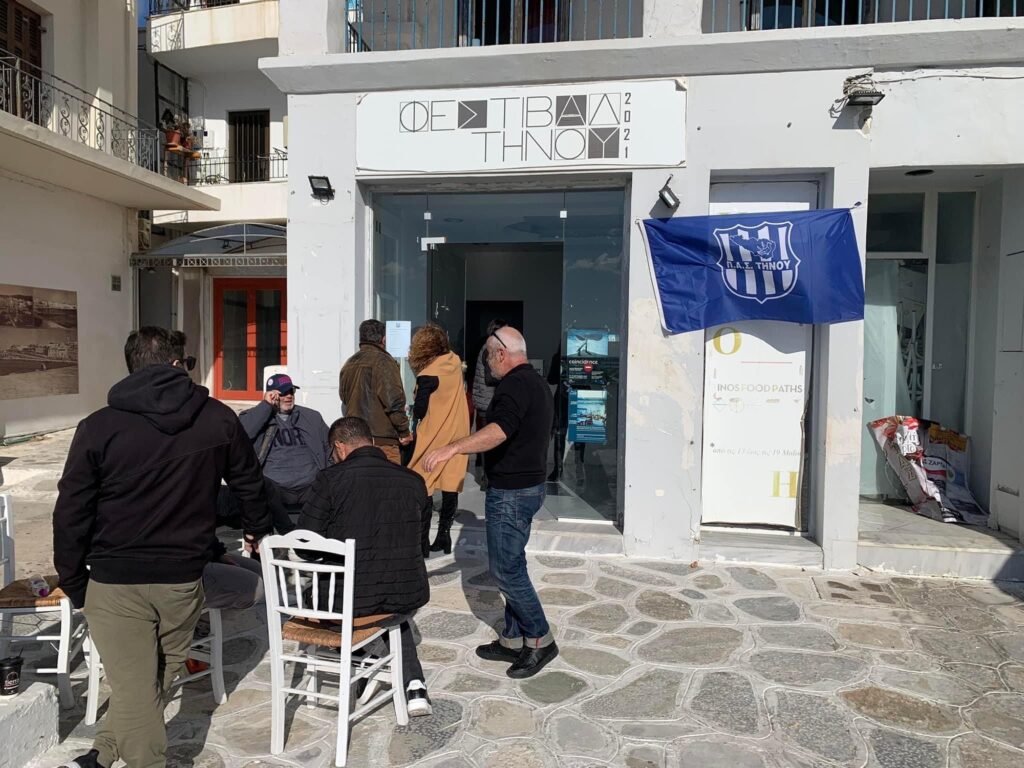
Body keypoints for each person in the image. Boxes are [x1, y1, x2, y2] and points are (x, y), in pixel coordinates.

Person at [53, 327, 271, 768]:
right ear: (176, 363)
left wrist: (74, 581)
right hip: (180, 581)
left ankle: (121, 755)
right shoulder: (217, 417)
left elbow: (71, 512)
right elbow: (250, 484)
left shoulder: (98, 427)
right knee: (145, 682)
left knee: (138, 685)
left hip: (115, 580)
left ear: (131, 366)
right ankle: (103, 752)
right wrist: (255, 531)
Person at [422, 327, 557, 679]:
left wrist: (452, 448)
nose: (485, 364)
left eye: (486, 356)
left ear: (500, 353)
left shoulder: (514, 385)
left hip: (513, 492)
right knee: (513, 563)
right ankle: (513, 638)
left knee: (506, 571)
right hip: (528, 487)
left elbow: (500, 430)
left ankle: (540, 639)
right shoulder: (535, 382)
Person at [298, 417, 433, 715]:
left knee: (341, 595)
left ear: (339, 447)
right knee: (389, 611)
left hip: (347, 600)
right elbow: (420, 546)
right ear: (371, 442)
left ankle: (359, 660)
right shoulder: (414, 480)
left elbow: (304, 545)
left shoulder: (330, 479)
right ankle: (413, 685)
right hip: (404, 594)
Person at [407, 324, 470, 556]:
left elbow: (420, 411)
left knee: (424, 485)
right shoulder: (454, 361)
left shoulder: (428, 375)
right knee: (450, 486)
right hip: (457, 434)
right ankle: (444, 535)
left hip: (433, 438)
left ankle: (422, 542)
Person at [339, 319, 413, 464]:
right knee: (387, 478)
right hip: (382, 442)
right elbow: (394, 401)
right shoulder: (384, 361)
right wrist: (404, 431)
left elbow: (344, 398)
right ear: (384, 339)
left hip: (355, 440)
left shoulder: (349, 364)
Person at [471, 319, 507, 486]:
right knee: (488, 441)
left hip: (487, 400)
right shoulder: (489, 349)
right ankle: (488, 479)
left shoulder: (490, 347)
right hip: (488, 402)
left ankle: (489, 477)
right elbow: (490, 377)